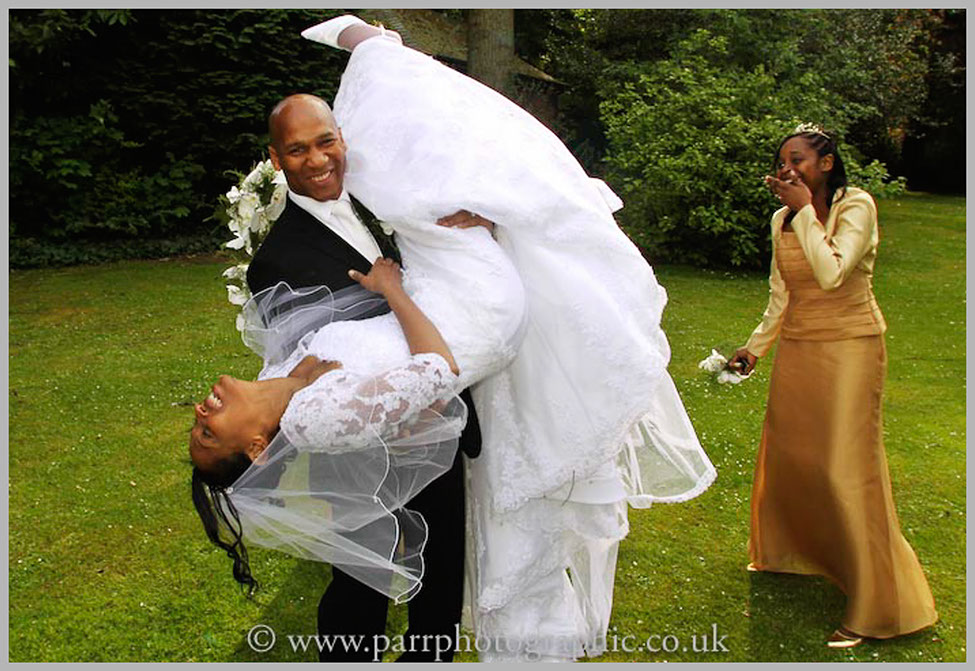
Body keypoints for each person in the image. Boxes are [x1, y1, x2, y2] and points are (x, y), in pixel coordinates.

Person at [194, 16, 715, 663]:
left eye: (325, 140)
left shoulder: (378, 189)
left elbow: (438, 234)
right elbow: (293, 373)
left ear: (340, 138)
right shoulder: (276, 262)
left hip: (446, 436)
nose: (318, 159)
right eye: (297, 150)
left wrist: (475, 217)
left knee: (439, 591)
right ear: (276, 159)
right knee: (359, 593)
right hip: (366, 454)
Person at [729, 125, 938, 648]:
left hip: (850, 347)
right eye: (783, 162)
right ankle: (793, 553)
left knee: (847, 469)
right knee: (794, 458)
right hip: (799, 348)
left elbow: (832, 275)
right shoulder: (782, 219)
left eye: (798, 159)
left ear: (825, 163)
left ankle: (877, 606)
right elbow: (784, 295)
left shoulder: (856, 206)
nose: (789, 169)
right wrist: (754, 348)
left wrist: (804, 213)